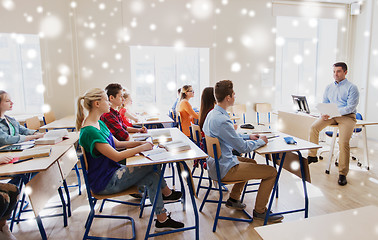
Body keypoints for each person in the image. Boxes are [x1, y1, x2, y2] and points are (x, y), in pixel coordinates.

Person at [77, 88, 184, 230]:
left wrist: (141, 143)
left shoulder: (99, 123)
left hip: (112, 173)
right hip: (105, 182)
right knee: (153, 166)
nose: (109, 103)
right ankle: (166, 194)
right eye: (106, 100)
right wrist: (142, 148)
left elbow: (117, 144)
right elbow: (116, 155)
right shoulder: (90, 131)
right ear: (97, 104)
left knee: (153, 176)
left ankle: (162, 220)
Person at [203, 80, 283, 222]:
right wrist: (260, 141)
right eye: (234, 94)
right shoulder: (222, 119)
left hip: (215, 164)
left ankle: (233, 199)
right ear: (228, 97)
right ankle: (260, 211)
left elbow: (229, 136)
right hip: (224, 169)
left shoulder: (212, 114)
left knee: (251, 162)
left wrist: (248, 136)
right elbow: (242, 148)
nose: (235, 96)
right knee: (271, 172)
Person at [308, 62, 359, 186]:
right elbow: (325, 102)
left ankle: (342, 173)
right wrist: (324, 112)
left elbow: (350, 107)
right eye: (334, 71)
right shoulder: (329, 87)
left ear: (345, 72)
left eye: (339, 71)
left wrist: (334, 112)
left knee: (343, 142)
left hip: (347, 117)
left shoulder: (352, 88)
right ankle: (312, 155)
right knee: (314, 127)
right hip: (331, 115)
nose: (335, 74)